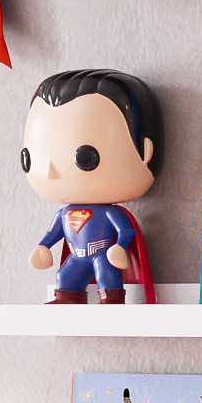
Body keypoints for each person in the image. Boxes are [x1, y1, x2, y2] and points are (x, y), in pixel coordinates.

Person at [23, 69, 161, 304]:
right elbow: (54, 233)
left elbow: (125, 230)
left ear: (145, 151)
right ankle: (67, 297)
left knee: (106, 275)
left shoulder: (110, 213)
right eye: (29, 157)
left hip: (101, 255)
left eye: (84, 156)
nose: (49, 171)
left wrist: (119, 247)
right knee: (64, 275)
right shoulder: (65, 214)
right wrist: (43, 247)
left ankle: (111, 298)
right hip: (77, 257)